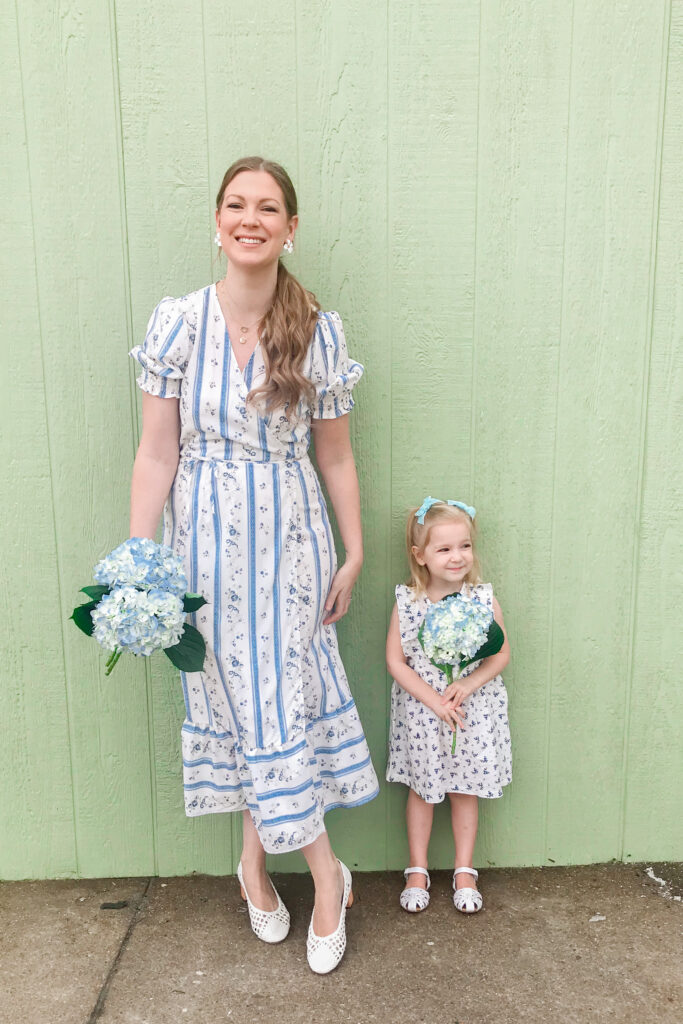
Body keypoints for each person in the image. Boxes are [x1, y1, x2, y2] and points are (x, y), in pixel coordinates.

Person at [128, 156, 379, 973]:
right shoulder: (179, 323)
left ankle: (323, 879)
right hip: (198, 544)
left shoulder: (316, 329)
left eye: (267, 207)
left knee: (274, 700)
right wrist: (141, 563)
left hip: (290, 545)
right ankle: (254, 866)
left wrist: (356, 548)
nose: (250, 218)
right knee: (237, 701)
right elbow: (156, 451)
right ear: (217, 219)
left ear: (290, 227)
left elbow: (334, 457)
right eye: (236, 204)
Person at [385, 497, 511, 914]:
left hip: (470, 713)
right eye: (444, 548)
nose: (457, 557)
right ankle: (417, 869)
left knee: (463, 790)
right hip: (424, 714)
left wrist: (467, 684)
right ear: (420, 556)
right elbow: (395, 661)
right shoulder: (408, 601)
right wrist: (433, 700)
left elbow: (501, 655)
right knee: (422, 791)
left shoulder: (481, 598)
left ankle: (463, 870)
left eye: (464, 546)